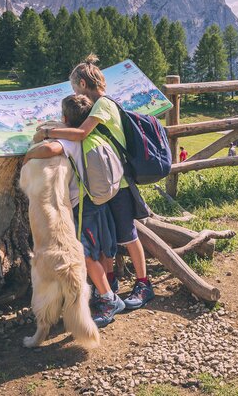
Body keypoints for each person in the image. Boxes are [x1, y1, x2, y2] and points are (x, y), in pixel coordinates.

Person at [34, 54, 155, 310]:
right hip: (103, 185)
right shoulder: (97, 104)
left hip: (118, 183)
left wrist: (46, 133)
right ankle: (108, 285)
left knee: (128, 235)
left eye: (74, 87)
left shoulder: (103, 105)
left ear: (82, 83)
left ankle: (144, 284)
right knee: (107, 238)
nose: (75, 92)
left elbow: (81, 133)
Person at [24, 94, 125, 327]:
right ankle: (106, 290)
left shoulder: (69, 141)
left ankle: (109, 299)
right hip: (98, 200)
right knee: (99, 248)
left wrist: (29, 153)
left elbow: (50, 148)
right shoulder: (91, 134)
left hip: (82, 206)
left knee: (84, 255)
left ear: (65, 117)